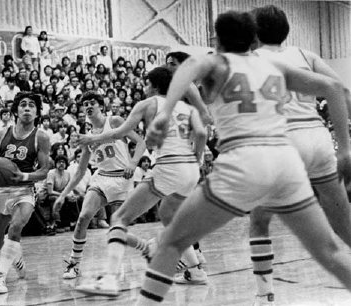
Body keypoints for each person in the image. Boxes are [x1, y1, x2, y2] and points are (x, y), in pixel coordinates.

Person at [134, 11, 351, 305]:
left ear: (219, 39)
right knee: (330, 250)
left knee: (171, 240)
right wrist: (346, 147)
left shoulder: (218, 63)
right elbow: (335, 87)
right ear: (253, 38)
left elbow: (188, 69)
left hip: (246, 161)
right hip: (288, 160)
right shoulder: (276, 63)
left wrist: (164, 113)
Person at [247, 5, 351, 305]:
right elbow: (342, 94)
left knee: (259, 219)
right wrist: (345, 146)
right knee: (343, 223)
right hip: (317, 138)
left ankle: (263, 295)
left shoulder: (248, 60)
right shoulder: (306, 56)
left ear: (254, 33)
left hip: (280, 140)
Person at [74, 67, 207, 296]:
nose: (145, 88)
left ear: (154, 86)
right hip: (190, 169)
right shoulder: (187, 107)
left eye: (147, 84)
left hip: (169, 167)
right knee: (168, 215)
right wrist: (196, 159)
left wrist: (92, 138)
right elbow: (203, 134)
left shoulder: (147, 104)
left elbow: (120, 133)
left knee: (119, 217)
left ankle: (109, 279)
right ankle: (195, 271)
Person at [52, 91, 146, 280]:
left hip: (123, 180)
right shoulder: (87, 137)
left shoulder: (116, 121)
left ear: (101, 106)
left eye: (92, 102)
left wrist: (133, 163)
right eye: (85, 103)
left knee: (117, 231)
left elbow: (141, 143)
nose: (88, 106)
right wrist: (62, 195)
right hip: (102, 178)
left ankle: (146, 247)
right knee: (84, 216)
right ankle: (74, 263)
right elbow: (79, 172)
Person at [0, 92, 50, 294]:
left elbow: (43, 171)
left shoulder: (40, 137)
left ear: (37, 112)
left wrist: (22, 176)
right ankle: (15, 256)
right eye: (22, 104)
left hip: (24, 190)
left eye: (32, 105)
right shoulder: (2, 134)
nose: (27, 108)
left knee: (15, 227)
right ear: (15, 110)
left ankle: (0, 278)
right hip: (0, 191)